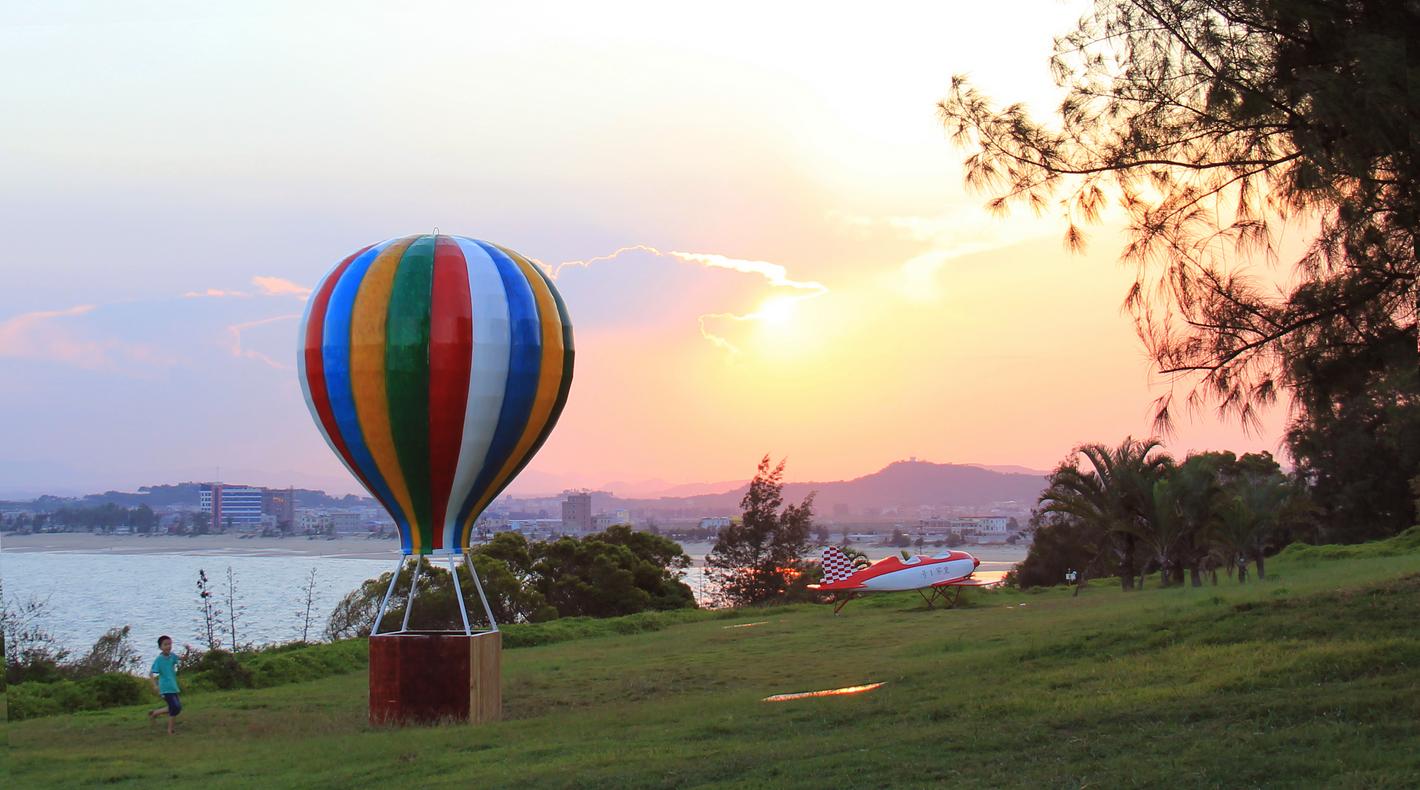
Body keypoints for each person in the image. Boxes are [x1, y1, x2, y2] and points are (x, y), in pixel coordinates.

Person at [147, 635, 182, 734]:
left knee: (177, 707)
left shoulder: (172, 656)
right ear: (160, 647)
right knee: (174, 707)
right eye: (165, 645)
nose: (168, 646)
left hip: (173, 686)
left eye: (169, 644)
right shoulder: (159, 659)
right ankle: (170, 730)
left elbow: (178, 660)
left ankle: (154, 713)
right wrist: (155, 685)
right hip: (165, 687)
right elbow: (151, 673)